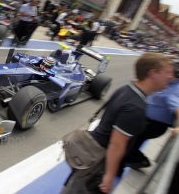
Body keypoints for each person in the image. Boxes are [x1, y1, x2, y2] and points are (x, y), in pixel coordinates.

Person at [62, 53, 174, 194]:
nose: (170, 77)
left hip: (90, 153)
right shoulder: (136, 107)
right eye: (167, 72)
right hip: (98, 164)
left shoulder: (128, 88)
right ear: (153, 73)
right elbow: (117, 145)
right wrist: (109, 176)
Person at [123, 61, 179, 169]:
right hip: (148, 120)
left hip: (154, 125)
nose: (166, 74)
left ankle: (140, 160)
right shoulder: (170, 83)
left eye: (169, 72)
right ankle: (133, 159)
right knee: (133, 141)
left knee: (131, 141)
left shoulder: (175, 91)